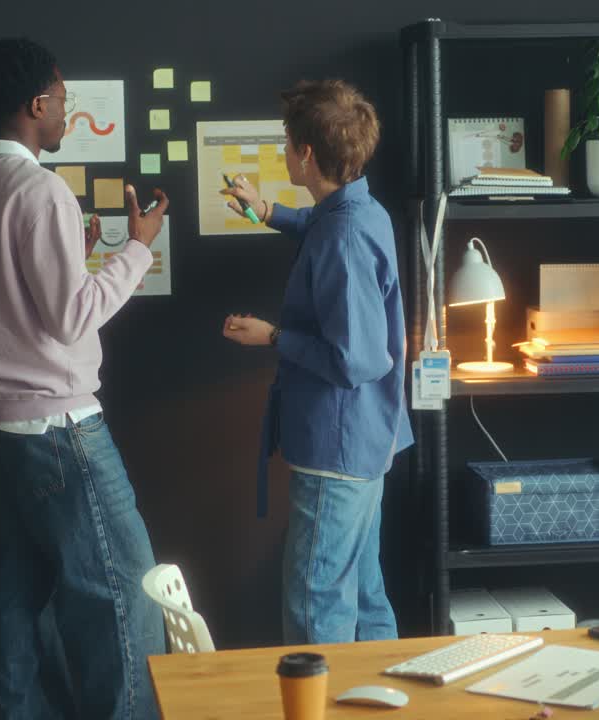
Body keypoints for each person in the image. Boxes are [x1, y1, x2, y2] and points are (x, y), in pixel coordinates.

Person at [0, 37, 168, 720]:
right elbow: (70, 318)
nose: (68, 111)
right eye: (64, 99)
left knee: (17, 594)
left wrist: (81, 255)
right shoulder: (39, 190)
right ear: (38, 104)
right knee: (125, 594)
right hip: (58, 429)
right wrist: (136, 248)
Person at [221, 79, 413, 645]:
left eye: (287, 142)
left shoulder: (346, 234)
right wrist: (265, 210)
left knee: (315, 604)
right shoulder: (358, 210)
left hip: (337, 446)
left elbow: (356, 360)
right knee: (364, 595)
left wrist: (272, 336)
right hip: (366, 442)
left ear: (305, 154)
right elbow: (320, 227)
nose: (284, 152)